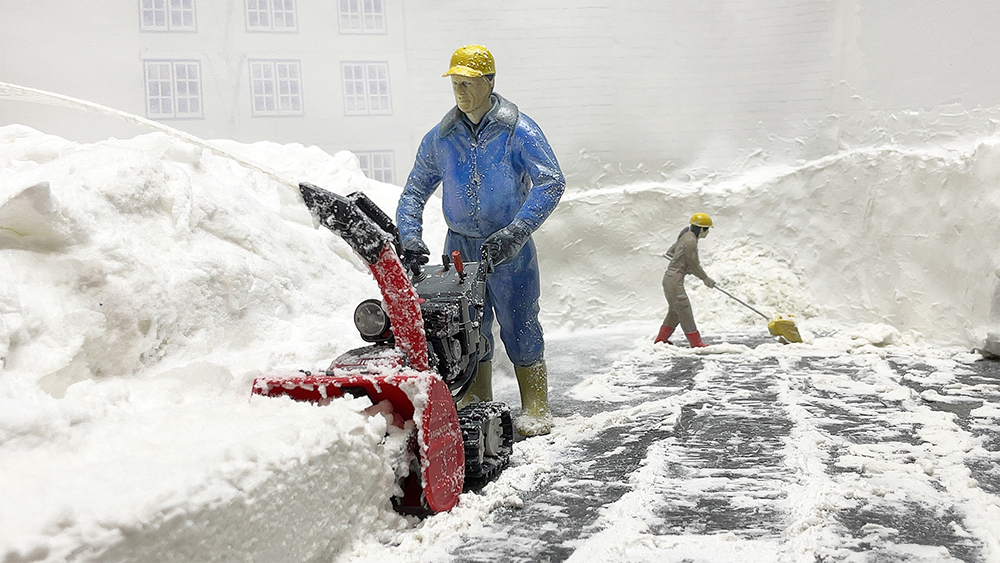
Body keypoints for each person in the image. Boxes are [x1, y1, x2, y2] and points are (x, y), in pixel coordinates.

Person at [396, 44, 565, 436]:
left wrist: (518, 230)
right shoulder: (440, 138)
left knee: (520, 320)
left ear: (489, 82)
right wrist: (410, 236)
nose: (461, 91)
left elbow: (551, 181)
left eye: (469, 83)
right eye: (456, 83)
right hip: (460, 248)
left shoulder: (518, 131)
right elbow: (414, 191)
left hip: (509, 249)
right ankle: (476, 397)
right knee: (467, 326)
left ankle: (535, 404)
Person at [655, 213, 716, 348]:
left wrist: (682, 265)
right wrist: (705, 278)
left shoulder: (685, 235)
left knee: (675, 312)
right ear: (702, 229)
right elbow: (694, 264)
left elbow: (670, 253)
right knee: (684, 310)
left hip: (669, 279)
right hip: (674, 281)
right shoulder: (691, 241)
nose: (708, 232)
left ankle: (660, 340)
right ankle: (696, 342)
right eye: (707, 229)